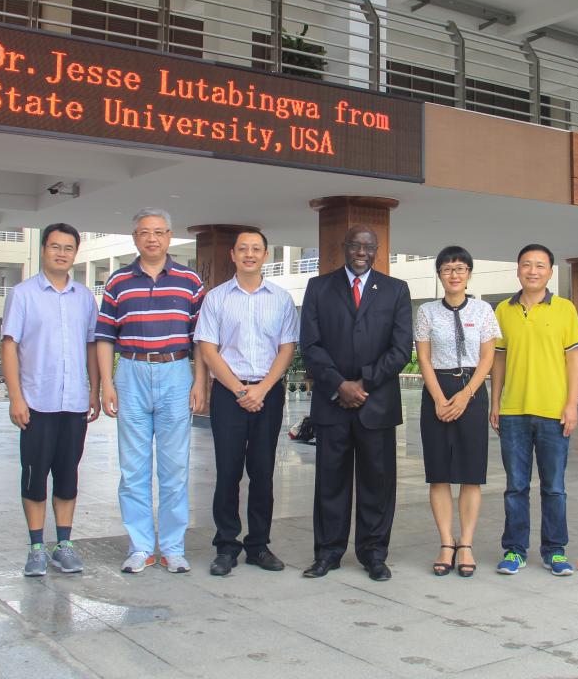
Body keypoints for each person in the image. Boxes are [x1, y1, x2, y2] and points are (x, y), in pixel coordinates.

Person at [96, 208, 208, 574]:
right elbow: (104, 336)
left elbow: (201, 339)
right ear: (135, 238)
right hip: (131, 373)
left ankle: (173, 548)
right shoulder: (118, 282)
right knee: (133, 469)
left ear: (169, 236)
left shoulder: (190, 280)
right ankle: (140, 547)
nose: (152, 238)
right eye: (145, 232)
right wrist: (107, 384)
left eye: (159, 232)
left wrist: (199, 381)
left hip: (176, 372)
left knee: (175, 469)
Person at [299, 225, 412, 581]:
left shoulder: (396, 290)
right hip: (332, 404)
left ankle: (374, 554)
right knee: (330, 483)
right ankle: (327, 553)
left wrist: (364, 382)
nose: (361, 252)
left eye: (368, 246)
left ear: (377, 250)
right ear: (344, 247)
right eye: (355, 245)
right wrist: (339, 385)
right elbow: (310, 345)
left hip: (376, 405)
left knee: (377, 484)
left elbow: (401, 348)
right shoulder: (319, 287)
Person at [195, 229, 299, 577]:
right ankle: (226, 545)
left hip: (268, 394)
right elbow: (208, 348)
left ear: (266, 255)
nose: (249, 254)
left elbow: (287, 348)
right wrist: (240, 391)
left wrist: (262, 389)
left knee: (262, 472)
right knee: (228, 472)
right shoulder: (216, 298)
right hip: (229, 394)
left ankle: (258, 545)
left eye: (256, 249)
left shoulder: (281, 299)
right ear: (233, 255)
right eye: (243, 249)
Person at [1, 222, 100, 577]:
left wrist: (94, 390)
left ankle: (64, 545)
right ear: (43, 249)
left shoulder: (85, 298)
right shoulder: (23, 294)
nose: (61, 253)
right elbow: (9, 346)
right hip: (37, 403)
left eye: (68, 248)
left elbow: (92, 346)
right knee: (34, 476)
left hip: (74, 403)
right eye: (55, 246)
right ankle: (36, 548)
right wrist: (16, 397)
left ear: (75, 253)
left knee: (68, 476)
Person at [491, 243, 578, 577]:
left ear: (550, 272)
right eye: (527, 264)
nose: (533, 271)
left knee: (554, 486)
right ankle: (514, 550)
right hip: (513, 411)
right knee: (515, 486)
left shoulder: (565, 309)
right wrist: (495, 403)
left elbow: (574, 361)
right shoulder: (503, 310)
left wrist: (572, 405)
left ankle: (554, 550)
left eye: (540, 265)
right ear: (518, 269)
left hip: (553, 412)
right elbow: (498, 360)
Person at [414, 246, 500, 578]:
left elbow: (488, 358)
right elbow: (423, 358)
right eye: (448, 269)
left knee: (470, 473)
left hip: (472, 391)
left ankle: (465, 544)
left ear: (469, 274)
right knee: (438, 473)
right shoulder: (426, 311)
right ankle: (446, 543)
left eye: (460, 268)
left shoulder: (483, 309)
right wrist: (439, 398)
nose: (454, 274)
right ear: (439, 274)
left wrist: (466, 395)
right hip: (437, 389)